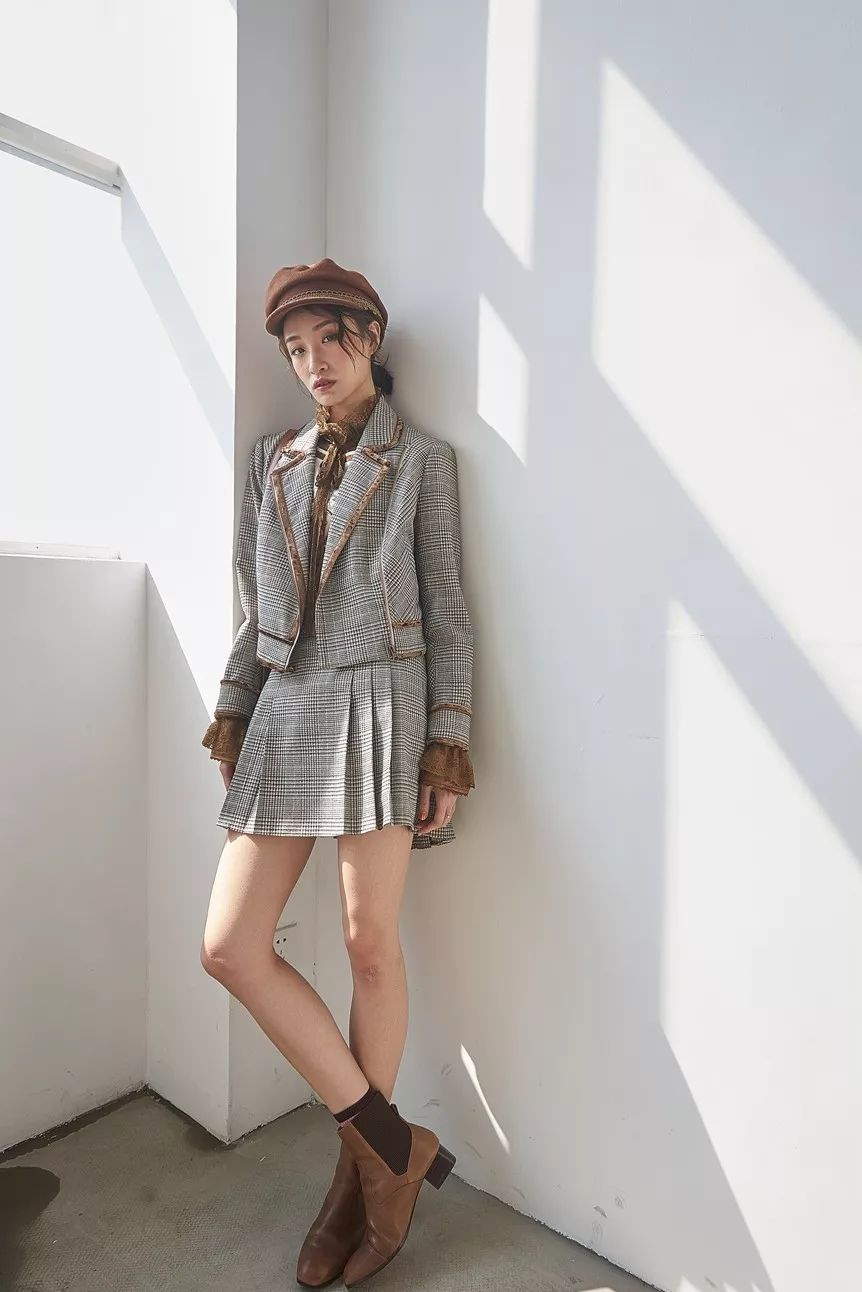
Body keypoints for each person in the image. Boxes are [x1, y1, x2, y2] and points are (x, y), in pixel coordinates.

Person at [198, 258, 476, 1287]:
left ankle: (357, 1178)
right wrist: (235, 708)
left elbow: (446, 607)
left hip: (383, 703)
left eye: (330, 339)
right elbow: (252, 602)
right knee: (230, 946)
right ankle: (393, 1149)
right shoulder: (267, 459)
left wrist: (447, 740)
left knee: (368, 945)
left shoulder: (422, 460)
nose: (313, 362)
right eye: (295, 348)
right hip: (288, 701)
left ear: (370, 336)